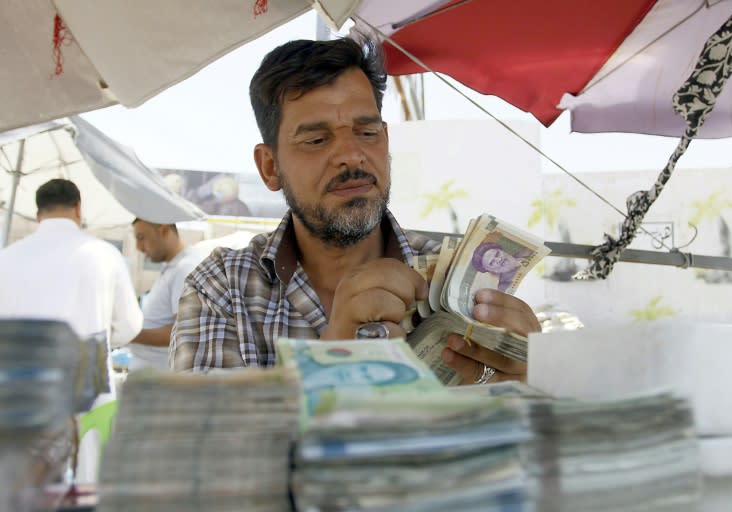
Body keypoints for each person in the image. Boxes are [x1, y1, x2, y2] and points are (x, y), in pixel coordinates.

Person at [170, 37, 539, 384]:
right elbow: (200, 448)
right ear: (270, 167)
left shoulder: (457, 284)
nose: (351, 155)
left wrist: (525, 381)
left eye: (367, 133)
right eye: (316, 139)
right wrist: (332, 360)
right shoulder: (223, 288)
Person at [0, 178, 143, 483]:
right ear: (79, 208)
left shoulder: (7, 258)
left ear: (39, 213)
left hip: (21, 388)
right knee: (86, 479)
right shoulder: (105, 255)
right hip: (87, 384)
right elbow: (131, 325)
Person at [129, 218, 212, 369]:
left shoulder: (185, 268)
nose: (138, 247)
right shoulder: (174, 267)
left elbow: (183, 333)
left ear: (164, 230)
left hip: (161, 382)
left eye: (142, 238)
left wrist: (128, 333)